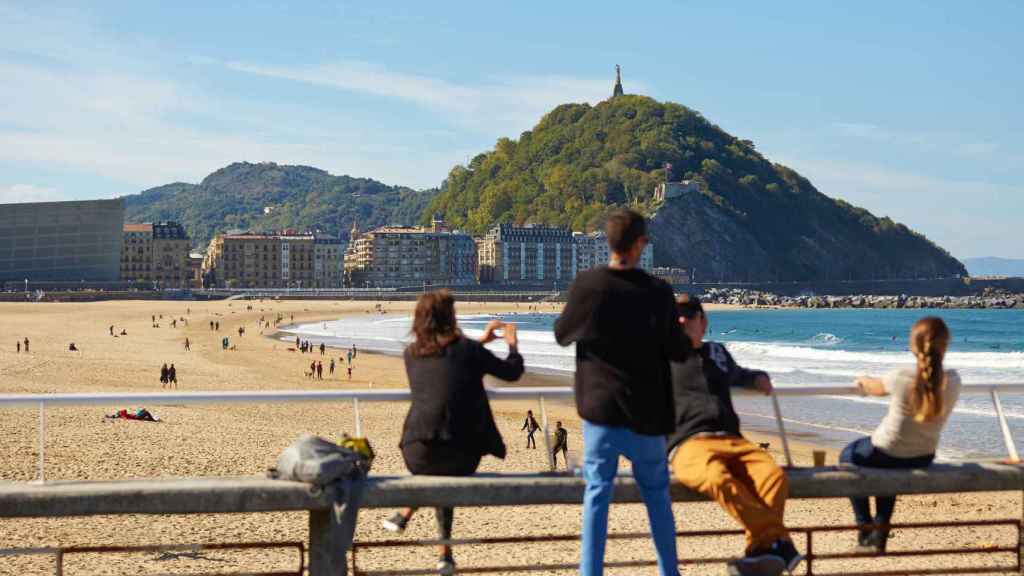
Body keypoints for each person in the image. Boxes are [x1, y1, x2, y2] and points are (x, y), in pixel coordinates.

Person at [554, 209, 690, 576]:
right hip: (648, 413)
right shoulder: (658, 292)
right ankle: (668, 572)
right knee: (657, 499)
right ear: (640, 244)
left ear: (609, 243)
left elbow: (562, 334)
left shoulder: (588, 285)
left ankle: (590, 572)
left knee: (597, 495)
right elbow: (678, 351)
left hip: (601, 410)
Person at [381, 290, 523, 575]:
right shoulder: (468, 351)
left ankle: (431, 540)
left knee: (436, 467)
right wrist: (512, 344)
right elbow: (511, 372)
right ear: (452, 317)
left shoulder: (411, 354)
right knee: (448, 463)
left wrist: (480, 342)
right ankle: (442, 551)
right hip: (463, 452)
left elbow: (447, 364)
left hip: (416, 450)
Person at [668, 295, 802, 576]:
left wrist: (757, 378)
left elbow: (739, 374)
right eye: (676, 315)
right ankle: (783, 545)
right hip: (689, 444)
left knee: (773, 477)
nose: (682, 320)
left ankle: (759, 553)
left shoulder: (717, 352)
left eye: (689, 315)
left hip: (734, 440)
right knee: (718, 479)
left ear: (702, 323)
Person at [841, 317, 961, 554]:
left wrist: (861, 379)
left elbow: (872, 387)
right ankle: (881, 531)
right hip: (924, 456)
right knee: (891, 468)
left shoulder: (902, 377)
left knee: (847, 456)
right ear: (945, 345)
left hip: (885, 450)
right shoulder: (955, 380)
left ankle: (865, 527)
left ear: (913, 346)